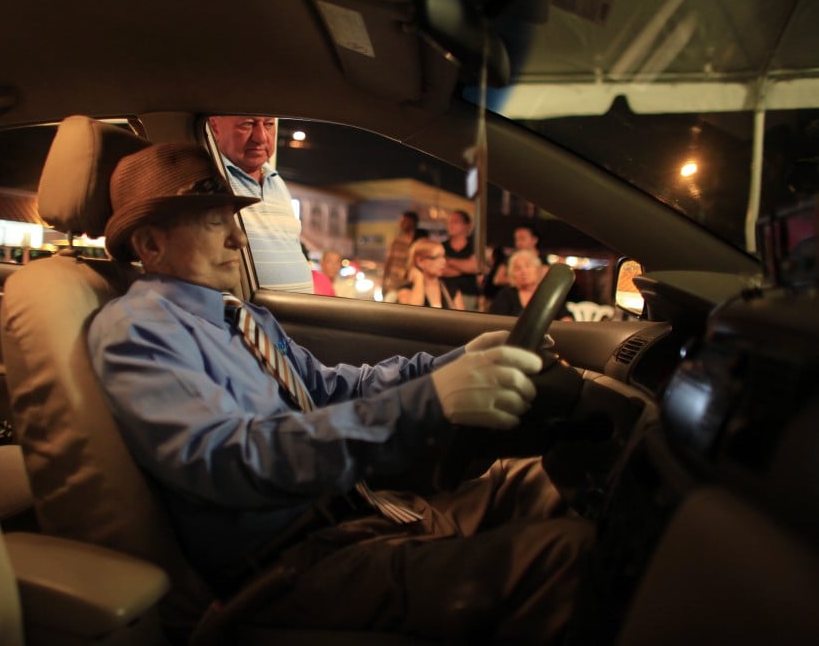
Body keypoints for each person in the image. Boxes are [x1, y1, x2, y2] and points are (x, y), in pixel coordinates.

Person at [88, 143, 593, 643]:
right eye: (215, 222)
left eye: (234, 220)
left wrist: (453, 365)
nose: (238, 239)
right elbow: (229, 459)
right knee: (562, 554)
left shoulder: (240, 316)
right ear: (150, 245)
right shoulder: (140, 329)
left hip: (356, 515)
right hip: (294, 564)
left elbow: (329, 388)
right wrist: (426, 403)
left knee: (534, 481)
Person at [208, 115, 313, 293]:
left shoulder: (276, 180)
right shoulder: (211, 178)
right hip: (249, 310)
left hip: (295, 308)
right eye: (248, 124)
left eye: (269, 124)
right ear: (215, 126)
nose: (261, 137)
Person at [489, 248, 573, 320]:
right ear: (512, 275)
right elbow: (496, 322)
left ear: (537, 269)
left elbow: (566, 318)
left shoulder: (550, 295)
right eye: (518, 268)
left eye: (528, 266)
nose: (523, 271)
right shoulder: (505, 295)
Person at [397, 238, 464, 310]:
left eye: (443, 256)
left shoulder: (451, 289)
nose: (443, 261)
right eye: (437, 257)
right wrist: (418, 278)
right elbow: (413, 311)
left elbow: (461, 316)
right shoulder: (406, 290)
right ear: (420, 261)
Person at [440, 210, 481, 311]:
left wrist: (449, 261)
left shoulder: (475, 247)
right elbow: (441, 270)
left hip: (468, 294)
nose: (451, 225)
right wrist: (464, 268)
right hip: (446, 294)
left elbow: (476, 267)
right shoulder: (441, 247)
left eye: (455, 222)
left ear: (467, 225)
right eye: (449, 222)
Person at [381, 210, 427, 298]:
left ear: (412, 222)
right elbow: (388, 262)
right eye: (401, 221)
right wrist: (384, 282)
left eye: (404, 221)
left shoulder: (419, 242)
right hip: (392, 285)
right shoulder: (396, 240)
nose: (401, 223)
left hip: (408, 286)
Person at [479, 245, 509, 312]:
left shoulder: (497, 266)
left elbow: (495, 281)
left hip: (491, 296)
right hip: (492, 296)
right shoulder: (499, 265)